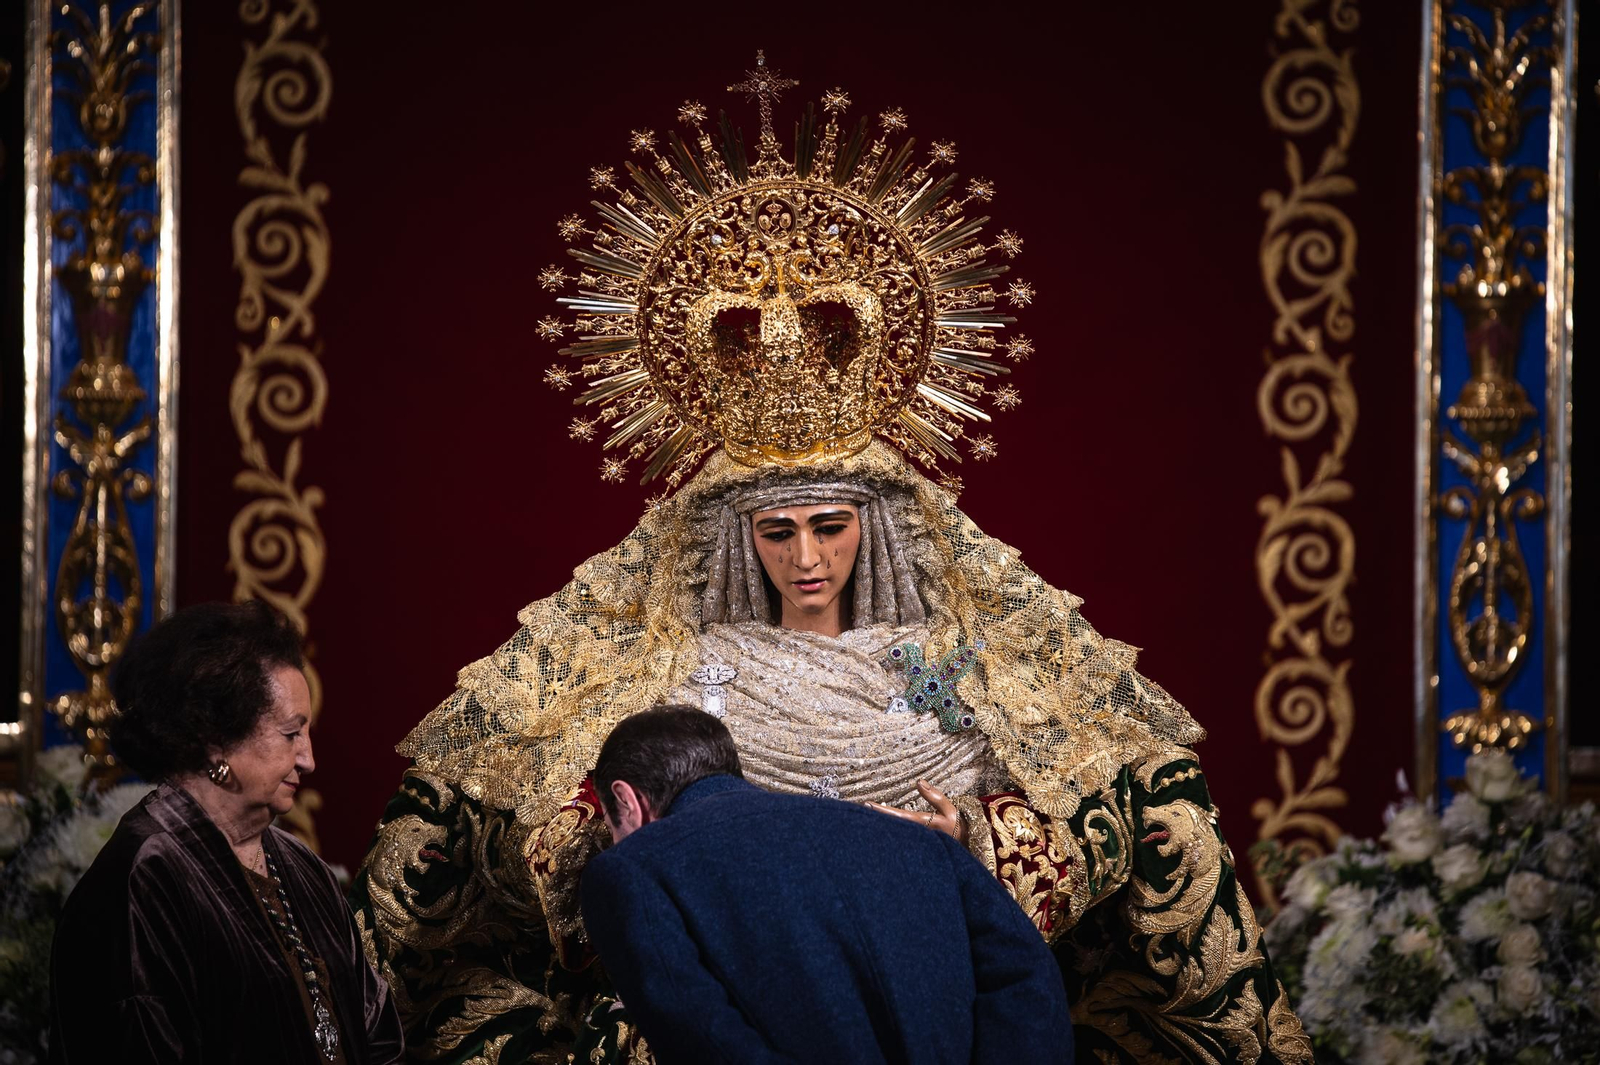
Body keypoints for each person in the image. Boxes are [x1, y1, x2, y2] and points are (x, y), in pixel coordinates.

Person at [352, 62, 1312, 1064]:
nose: (806, 558)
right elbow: (541, 851)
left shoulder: (940, 665)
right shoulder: (686, 669)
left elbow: (1105, 820)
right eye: (777, 532)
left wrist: (979, 847)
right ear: (738, 537)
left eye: (829, 525)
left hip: (919, 985)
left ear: (876, 526)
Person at [580, 705, 1073, 1065]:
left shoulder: (629, 872)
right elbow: (1026, 978)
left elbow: (706, 1041)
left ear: (626, 801)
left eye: (612, 826)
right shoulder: (918, 842)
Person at [50, 601, 404, 1064]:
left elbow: (377, 1035)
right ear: (216, 741)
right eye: (289, 734)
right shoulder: (146, 878)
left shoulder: (304, 870)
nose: (309, 759)